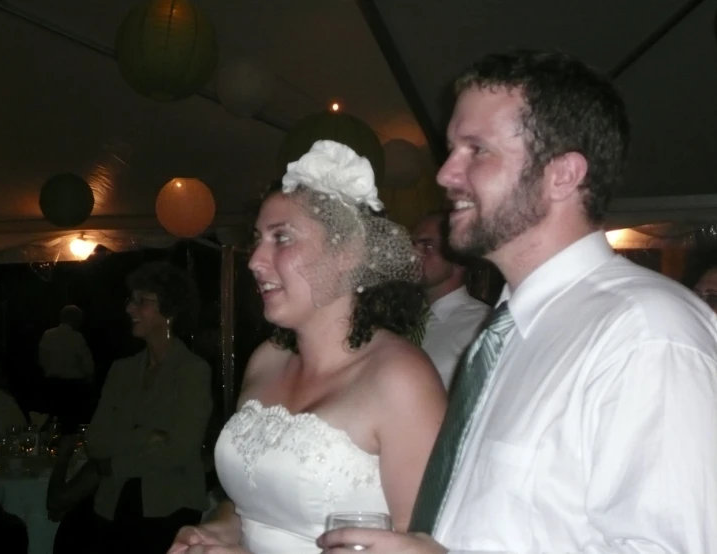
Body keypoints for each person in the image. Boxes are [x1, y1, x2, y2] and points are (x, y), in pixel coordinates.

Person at [319, 49, 717, 553]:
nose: (445, 174)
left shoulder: (649, 336)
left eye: (476, 150)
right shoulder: (506, 335)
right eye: (451, 149)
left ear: (563, 175)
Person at [170, 140, 446, 554]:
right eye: (258, 238)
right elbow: (248, 501)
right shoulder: (266, 360)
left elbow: (420, 544)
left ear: (348, 253)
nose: (254, 260)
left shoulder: (401, 379)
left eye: (281, 238)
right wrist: (222, 529)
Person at [85, 262, 212, 553]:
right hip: (113, 504)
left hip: (171, 507)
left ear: (170, 310)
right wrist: (147, 436)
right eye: (130, 300)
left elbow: (182, 450)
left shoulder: (193, 371)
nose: (129, 309)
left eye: (141, 301)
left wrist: (115, 464)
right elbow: (95, 441)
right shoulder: (121, 370)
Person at [412, 212, 490, 387]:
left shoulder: (480, 325)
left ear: (458, 259)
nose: (413, 254)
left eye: (428, 246)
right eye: (412, 244)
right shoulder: (402, 318)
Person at [38, 305, 95, 426]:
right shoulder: (77, 337)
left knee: (53, 424)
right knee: (72, 424)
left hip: (51, 386)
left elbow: (42, 359)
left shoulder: (47, 335)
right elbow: (88, 364)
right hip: (73, 389)